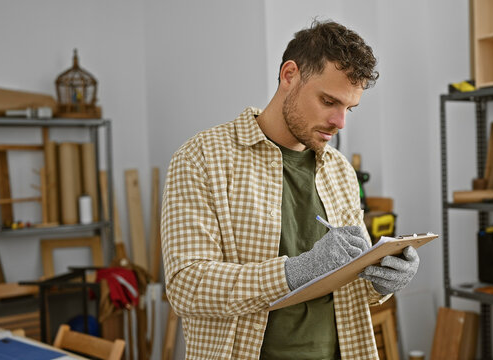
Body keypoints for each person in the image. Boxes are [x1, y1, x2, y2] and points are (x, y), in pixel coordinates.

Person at [161, 19, 420, 360]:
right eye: (329, 101)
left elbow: (346, 280)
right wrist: (297, 270)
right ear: (289, 75)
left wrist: (382, 281)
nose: (340, 122)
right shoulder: (202, 158)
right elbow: (187, 287)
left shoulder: (341, 170)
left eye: (348, 109)